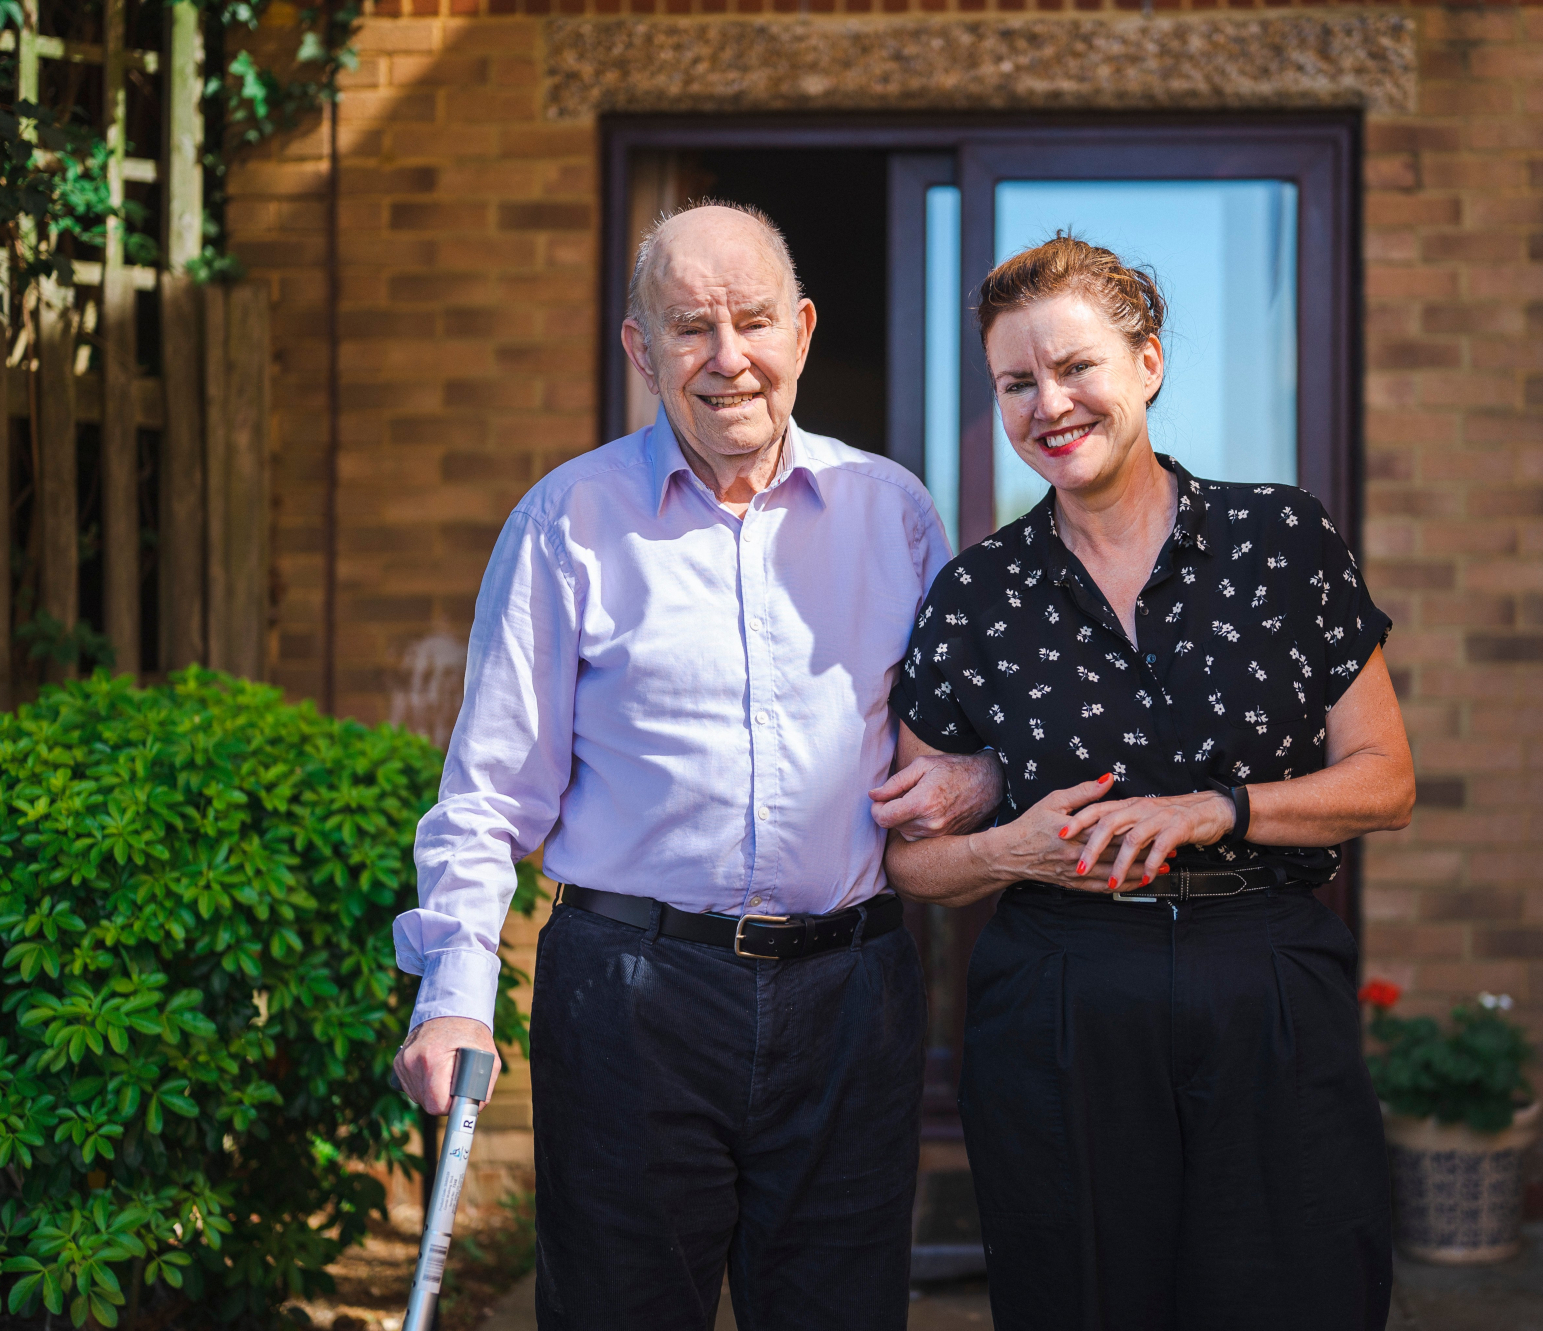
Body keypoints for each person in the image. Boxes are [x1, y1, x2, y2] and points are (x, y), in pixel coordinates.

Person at [391, 200, 1003, 1331]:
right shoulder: (563, 520)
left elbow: (958, 743)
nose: (728, 359)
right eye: (688, 328)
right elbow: (486, 797)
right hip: (631, 994)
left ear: (804, 331)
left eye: (755, 321)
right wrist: (453, 997)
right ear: (638, 349)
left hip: (851, 994)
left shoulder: (896, 514)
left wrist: (976, 781)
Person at [884, 234, 1414, 1330]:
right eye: (1016, 382)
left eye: (1075, 366)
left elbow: (1385, 780)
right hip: (1062, 992)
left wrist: (1220, 806)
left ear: (1148, 364)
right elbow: (912, 853)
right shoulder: (974, 594)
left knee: (1301, 1285)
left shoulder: (1282, 538)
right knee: (1079, 1297)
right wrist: (1004, 848)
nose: (1049, 403)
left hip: (1261, 970)